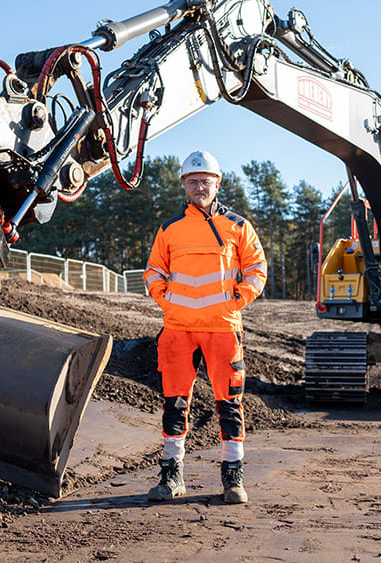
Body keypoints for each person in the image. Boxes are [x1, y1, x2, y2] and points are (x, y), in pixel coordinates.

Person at [143, 150, 267, 504]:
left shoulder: (238, 226)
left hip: (223, 327)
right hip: (177, 328)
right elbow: (154, 270)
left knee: (229, 404)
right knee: (174, 404)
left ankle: (233, 479)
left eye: (205, 180)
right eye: (193, 180)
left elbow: (257, 268)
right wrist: (165, 301)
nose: (200, 186)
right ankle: (171, 479)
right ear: (184, 185)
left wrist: (236, 301)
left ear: (217, 183)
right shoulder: (169, 229)